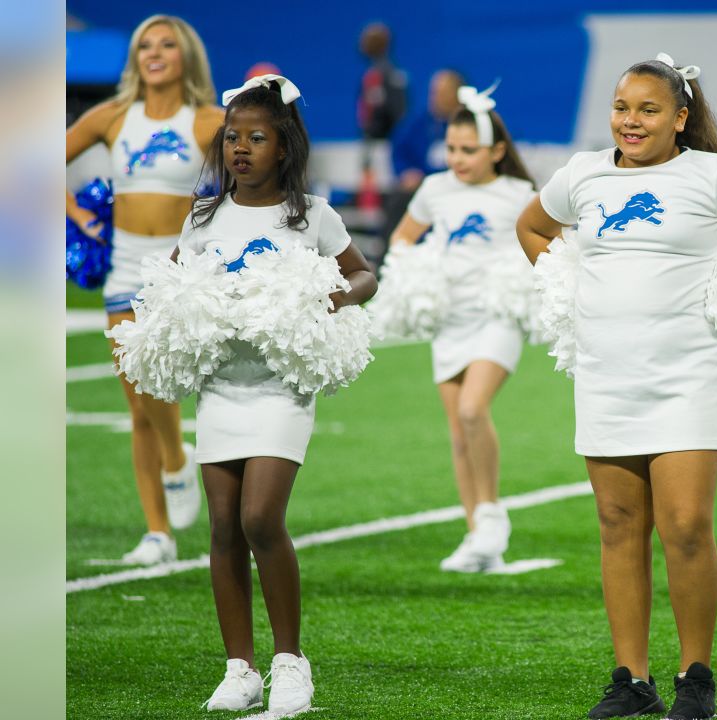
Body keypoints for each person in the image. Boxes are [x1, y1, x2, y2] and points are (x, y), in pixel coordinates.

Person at [515, 54, 717, 720]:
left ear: (680, 117)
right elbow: (531, 227)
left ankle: (695, 678)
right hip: (604, 373)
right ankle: (631, 680)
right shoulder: (583, 174)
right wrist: (566, 286)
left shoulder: (712, 175)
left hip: (686, 374)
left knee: (684, 527)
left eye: (649, 109)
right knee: (619, 525)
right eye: (622, 107)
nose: (631, 120)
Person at [178, 75, 378, 714]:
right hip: (221, 385)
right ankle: (240, 668)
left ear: (284, 147)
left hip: (280, 387)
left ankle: (290, 662)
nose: (241, 148)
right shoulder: (205, 217)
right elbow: (181, 289)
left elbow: (363, 272)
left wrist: (341, 298)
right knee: (222, 527)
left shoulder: (311, 215)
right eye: (232, 137)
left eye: (257, 138)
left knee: (260, 517)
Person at [65, 14, 222, 564]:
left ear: (186, 58)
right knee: (137, 401)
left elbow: (261, 170)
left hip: (180, 270)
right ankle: (158, 531)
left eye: (167, 46)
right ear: (134, 59)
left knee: (161, 386)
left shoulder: (207, 121)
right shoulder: (111, 116)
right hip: (125, 265)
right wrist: (78, 216)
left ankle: (177, 458)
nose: (154, 54)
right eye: (145, 46)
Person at [387, 83, 536, 571]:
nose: (457, 158)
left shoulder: (519, 194)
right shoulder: (435, 190)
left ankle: (491, 513)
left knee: (473, 410)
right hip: (449, 316)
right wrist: (416, 281)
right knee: (457, 431)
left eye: (468, 150)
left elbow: (552, 246)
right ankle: (478, 538)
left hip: (499, 311)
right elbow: (403, 239)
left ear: (496, 150)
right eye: (451, 148)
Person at [385, 69, 465, 243]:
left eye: (442, 93)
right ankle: (389, 258)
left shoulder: (468, 124)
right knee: (398, 200)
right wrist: (405, 172)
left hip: (459, 184)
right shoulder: (419, 123)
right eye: (434, 92)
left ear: (457, 95)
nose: (436, 98)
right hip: (423, 184)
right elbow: (399, 150)